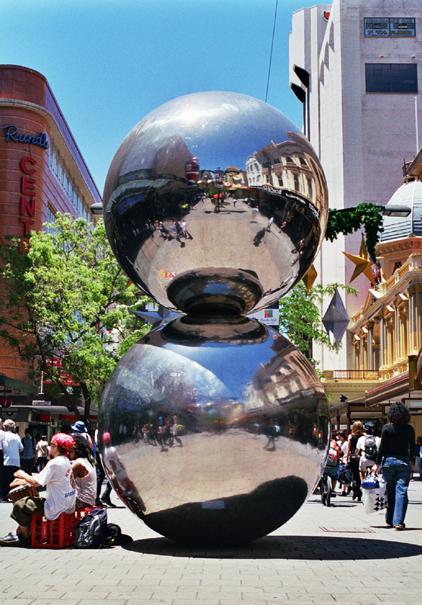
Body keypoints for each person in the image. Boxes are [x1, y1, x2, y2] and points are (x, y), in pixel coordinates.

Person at [0, 432, 76, 546]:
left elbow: (36, 483)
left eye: (51, 444)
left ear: (56, 446)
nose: (49, 447)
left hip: (55, 506)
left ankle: (25, 537)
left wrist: (22, 474)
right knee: (31, 503)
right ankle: (26, 531)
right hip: (67, 503)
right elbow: (43, 479)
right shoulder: (65, 461)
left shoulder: (55, 463)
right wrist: (23, 481)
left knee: (20, 505)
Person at [373, 402, 416, 530]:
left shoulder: (387, 428)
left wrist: (377, 463)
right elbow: (412, 447)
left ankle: (389, 520)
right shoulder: (409, 429)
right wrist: (412, 461)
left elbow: (382, 448)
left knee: (390, 492)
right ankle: (398, 522)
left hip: (388, 463)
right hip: (403, 462)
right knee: (401, 491)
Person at [71, 434, 97, 509]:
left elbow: (66, 484)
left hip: (81, 501)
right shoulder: (88, 461)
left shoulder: (78, 463)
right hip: (89, 501)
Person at [0, 420, 23, 502]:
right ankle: (13, 496)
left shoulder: (2, 435)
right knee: (14, 480)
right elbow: (21, 448)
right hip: (16, 461)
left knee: (5, 480)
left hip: (6, 460)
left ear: (4, 427)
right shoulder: (17, 436)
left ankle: (4, 497)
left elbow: (1, 448)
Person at [347, 421, 365, 501]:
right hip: (361, 456)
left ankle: (355, 488)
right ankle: (360, 490)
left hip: (353, 457)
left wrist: (347, 458)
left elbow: (349, 449)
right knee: (361, 474)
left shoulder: (351, 436)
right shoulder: (364, 436)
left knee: (354, 474)